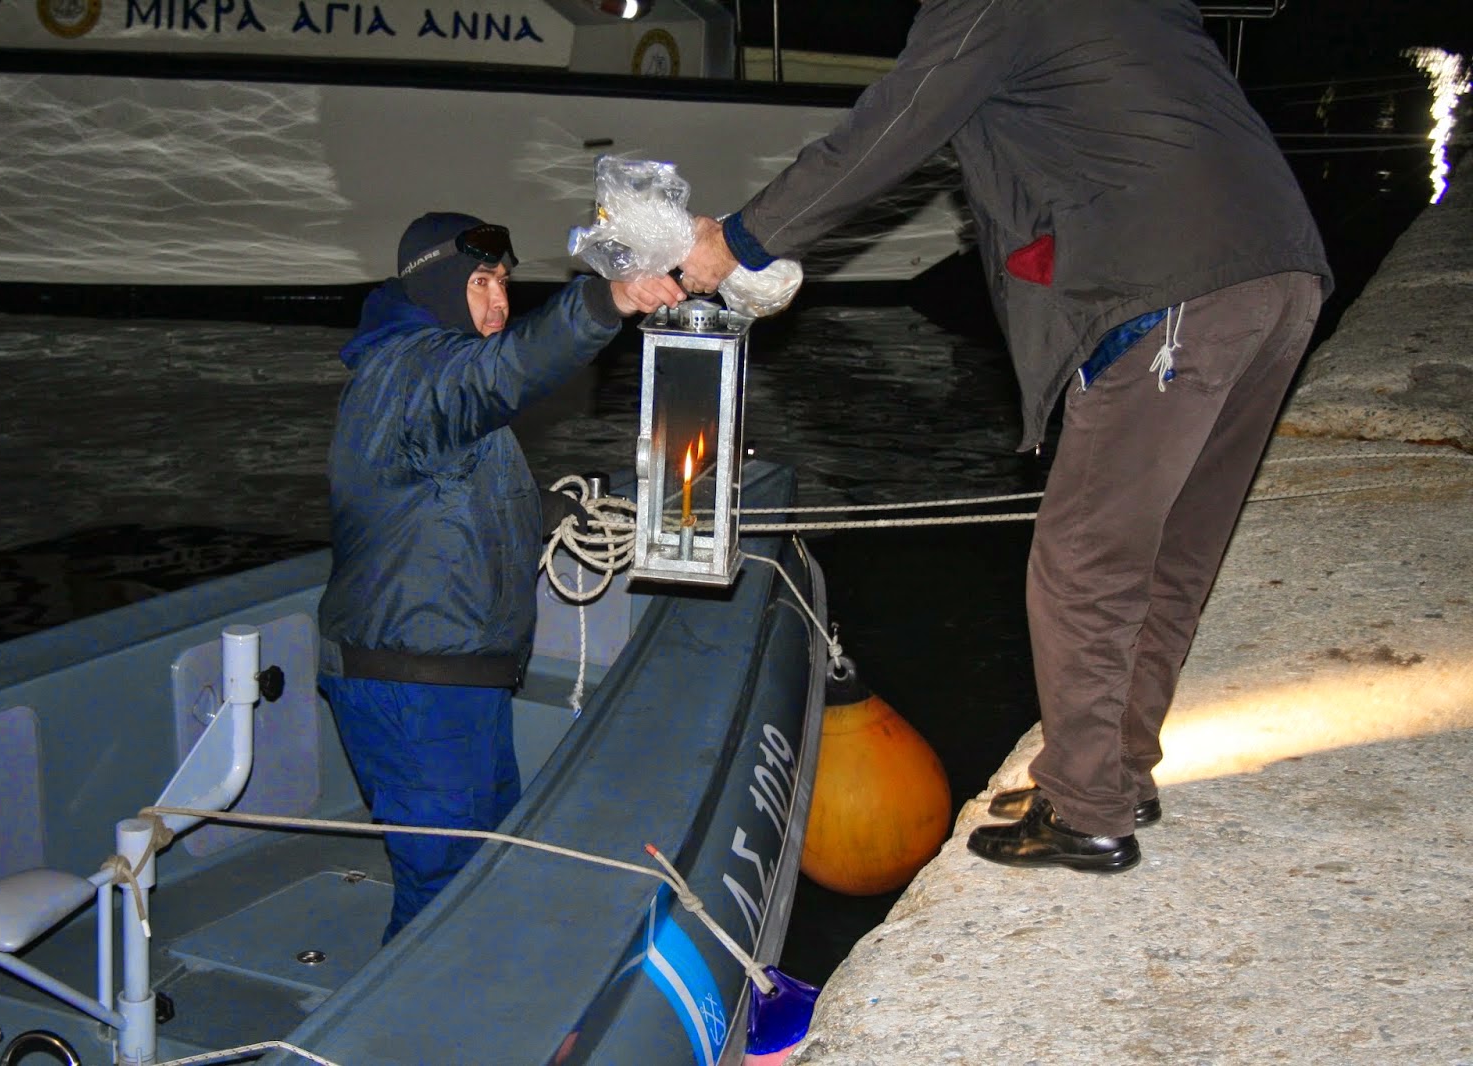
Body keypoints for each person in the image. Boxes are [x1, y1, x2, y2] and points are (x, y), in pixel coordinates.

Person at [678, 0, 1331, 873]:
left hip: (1170, 290)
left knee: (1083, 563)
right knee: (1170, 552)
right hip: (1279, 273)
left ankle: (1091, 812)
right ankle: (1111, 774)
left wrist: (743, 241)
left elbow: (888, 130)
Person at [318, 211, 684, 939]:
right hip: (412, 684)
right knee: (442, 888)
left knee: (485, 862)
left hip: (464, 677)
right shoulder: (412, 370)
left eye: (505, 284)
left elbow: (442, 486)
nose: (500, 302)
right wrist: (607, 299)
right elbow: (506, 372)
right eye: (481, 283)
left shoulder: (430, 372)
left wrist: (547, 506)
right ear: (439, 287)